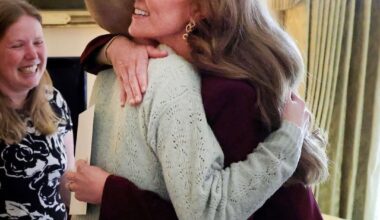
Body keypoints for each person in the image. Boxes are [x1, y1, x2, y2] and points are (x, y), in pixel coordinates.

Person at [68, 0, 328, 219]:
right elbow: (88, 55)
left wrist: (109, 192)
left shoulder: (227, 93)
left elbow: (209, 212)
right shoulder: (177, 67)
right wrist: (114, 47)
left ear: (199, 10)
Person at [0, 0, 75, 219]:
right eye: (17, 45)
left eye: (38, 42)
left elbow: (67, 184)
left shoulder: (54, 100)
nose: (33, 54)